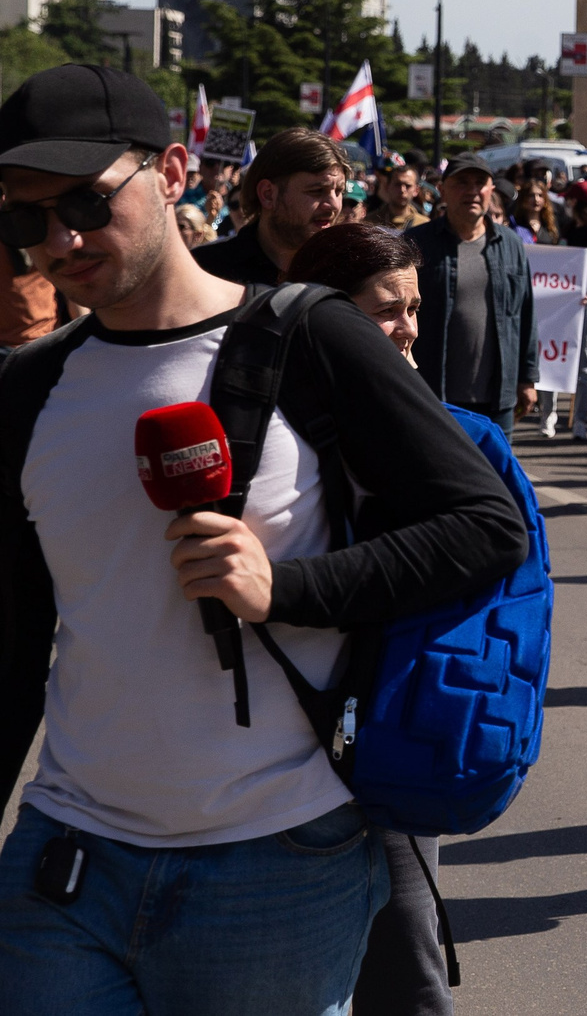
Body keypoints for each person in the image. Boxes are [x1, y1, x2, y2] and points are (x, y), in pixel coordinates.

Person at [0, 64, 528, 1013]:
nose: (61, 239)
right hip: (66, 854)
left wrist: (287, 590)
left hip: (274, 861)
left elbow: (485, 526)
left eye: (85, 201)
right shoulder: (29, 390)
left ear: (169, 170)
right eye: (25, 219)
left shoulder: (308, 335)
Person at [278, 221, 458, 1016]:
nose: (408, 327)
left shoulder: (415, 409)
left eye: (415, 307)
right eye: (388, 310)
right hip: (286, 733)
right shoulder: (276, 420)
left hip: (388, 719)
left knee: (407, 938)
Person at [406, 157, 540, 435]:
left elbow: (525, 314)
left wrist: (527, 380)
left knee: (496, 477)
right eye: (462, 183)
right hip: (432, 393)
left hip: (497, 398)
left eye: (480, 183)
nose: (472, 191)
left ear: (492, 189)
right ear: (442, 189)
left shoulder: (511, 244)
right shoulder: (416, 243)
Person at [195, 127, 348, 285]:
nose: (333, 205)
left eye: (339, 191)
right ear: (268, 194)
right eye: (317, 191)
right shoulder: (206, 271)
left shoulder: (349, 273)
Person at [365, 161, 428, 231]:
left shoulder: (424, 225)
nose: (402, 190)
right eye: (397, 185)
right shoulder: (370, 223)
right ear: (387, 187)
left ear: (416, 190)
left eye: (408, 186)